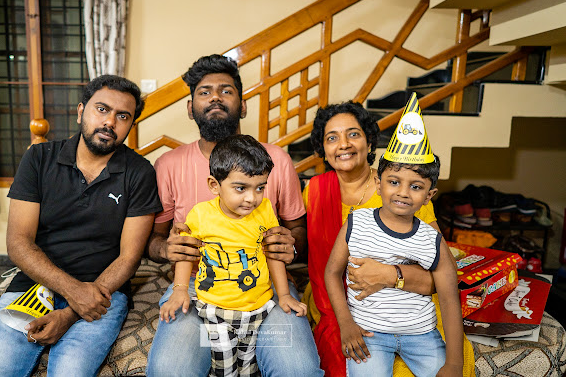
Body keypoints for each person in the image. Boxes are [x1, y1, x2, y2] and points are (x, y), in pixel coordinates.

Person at [0, 75, 163, 376]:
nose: (109, 122)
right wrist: (73, 291)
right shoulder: (38, 158)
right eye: (102, 109)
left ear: (130, 125)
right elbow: (18, 243)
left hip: (104, 293)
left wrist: (72, 312)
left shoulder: (140, 172)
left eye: (123, 116)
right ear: (80, 111)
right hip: (33, 286)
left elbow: (129, 258)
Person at [145, 54, 322, 376]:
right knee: (171, 370)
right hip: (196, 289)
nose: (215, 97)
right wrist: (166, 249)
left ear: (243, 106)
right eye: (205, 92)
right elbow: (154, 240)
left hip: (266, 289)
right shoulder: (168, 165)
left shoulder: (276, 160)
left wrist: (290, 246)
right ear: (190, 108)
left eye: (226, 90)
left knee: (298, 370)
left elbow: (298, 230)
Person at [304, 100, 473, 377]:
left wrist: (390, 274)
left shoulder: (409, 201)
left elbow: (442, 280)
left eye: (353, 134)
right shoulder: (314, 191)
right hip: (341, 304)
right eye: (332, 138)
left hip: (410, 308)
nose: (343, 144)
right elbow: (319, 260)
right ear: (322, 148)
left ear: (370, 142)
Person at [160, 135, 308, 376]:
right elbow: (187, 253)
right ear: (214, 185)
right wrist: (179, 290)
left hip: (258, 306)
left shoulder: (265, 209)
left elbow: (273, 253)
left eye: (260, 188)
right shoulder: (200, 214)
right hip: (214, 308)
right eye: (241, 188)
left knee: (249, 369)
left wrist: (283, 295)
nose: (252, 198)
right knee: (225, 369)